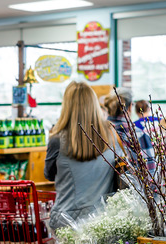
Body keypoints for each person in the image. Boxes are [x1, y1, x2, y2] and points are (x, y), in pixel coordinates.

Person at [44, 82, 116, 230]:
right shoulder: (111, 135)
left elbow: (49, 174)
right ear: (94, 104)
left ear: (67, 106)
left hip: (67, 220)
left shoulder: (57, 140)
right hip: (104, 218)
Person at [103, 89, 156, 172]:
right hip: (129, 183)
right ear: (130, 107)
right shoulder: (138, 134)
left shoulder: (96, 131)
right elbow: (150, 171)